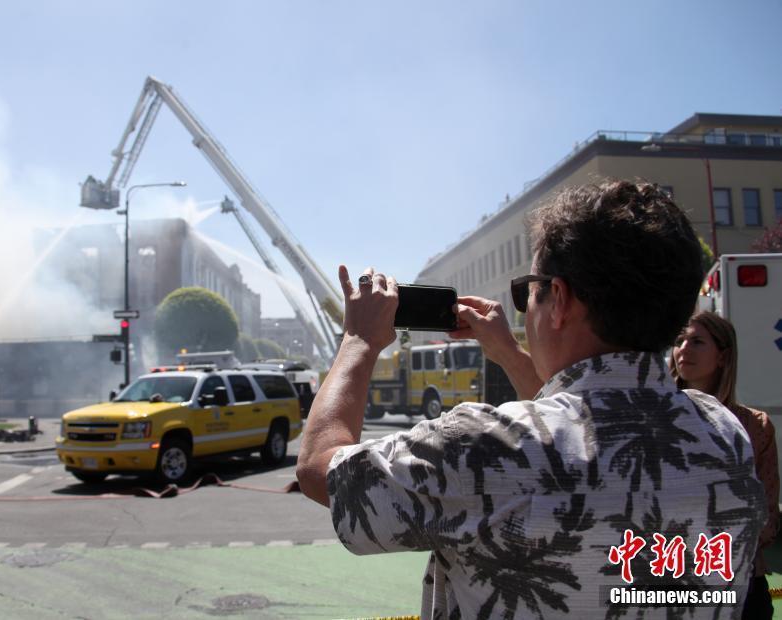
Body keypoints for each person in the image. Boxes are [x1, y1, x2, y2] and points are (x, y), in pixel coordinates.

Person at [296, 180, 766, 619]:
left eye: (529, 291)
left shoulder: (482, 447)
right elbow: (581, 423)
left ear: (558, 299)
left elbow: (322, 469)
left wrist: (359, 340)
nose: (525, 308)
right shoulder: (724, 434)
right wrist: (507, 351)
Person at [671, 311, 779, 619]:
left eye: (697, 341)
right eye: (680, 340)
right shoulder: (658, 419)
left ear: (722, 356)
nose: (684, 349)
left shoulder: (754, 426)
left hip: (741, 580)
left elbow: (768, 516)